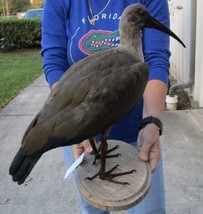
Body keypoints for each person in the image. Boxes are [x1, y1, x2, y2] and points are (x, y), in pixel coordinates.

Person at [41, 0, 170, 213]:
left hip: (138, 133)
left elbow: (156, 59)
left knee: (150, 210)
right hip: (77, 128)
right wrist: (78, 128)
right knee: (93, 208)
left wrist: (152, 121)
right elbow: (54, 61)